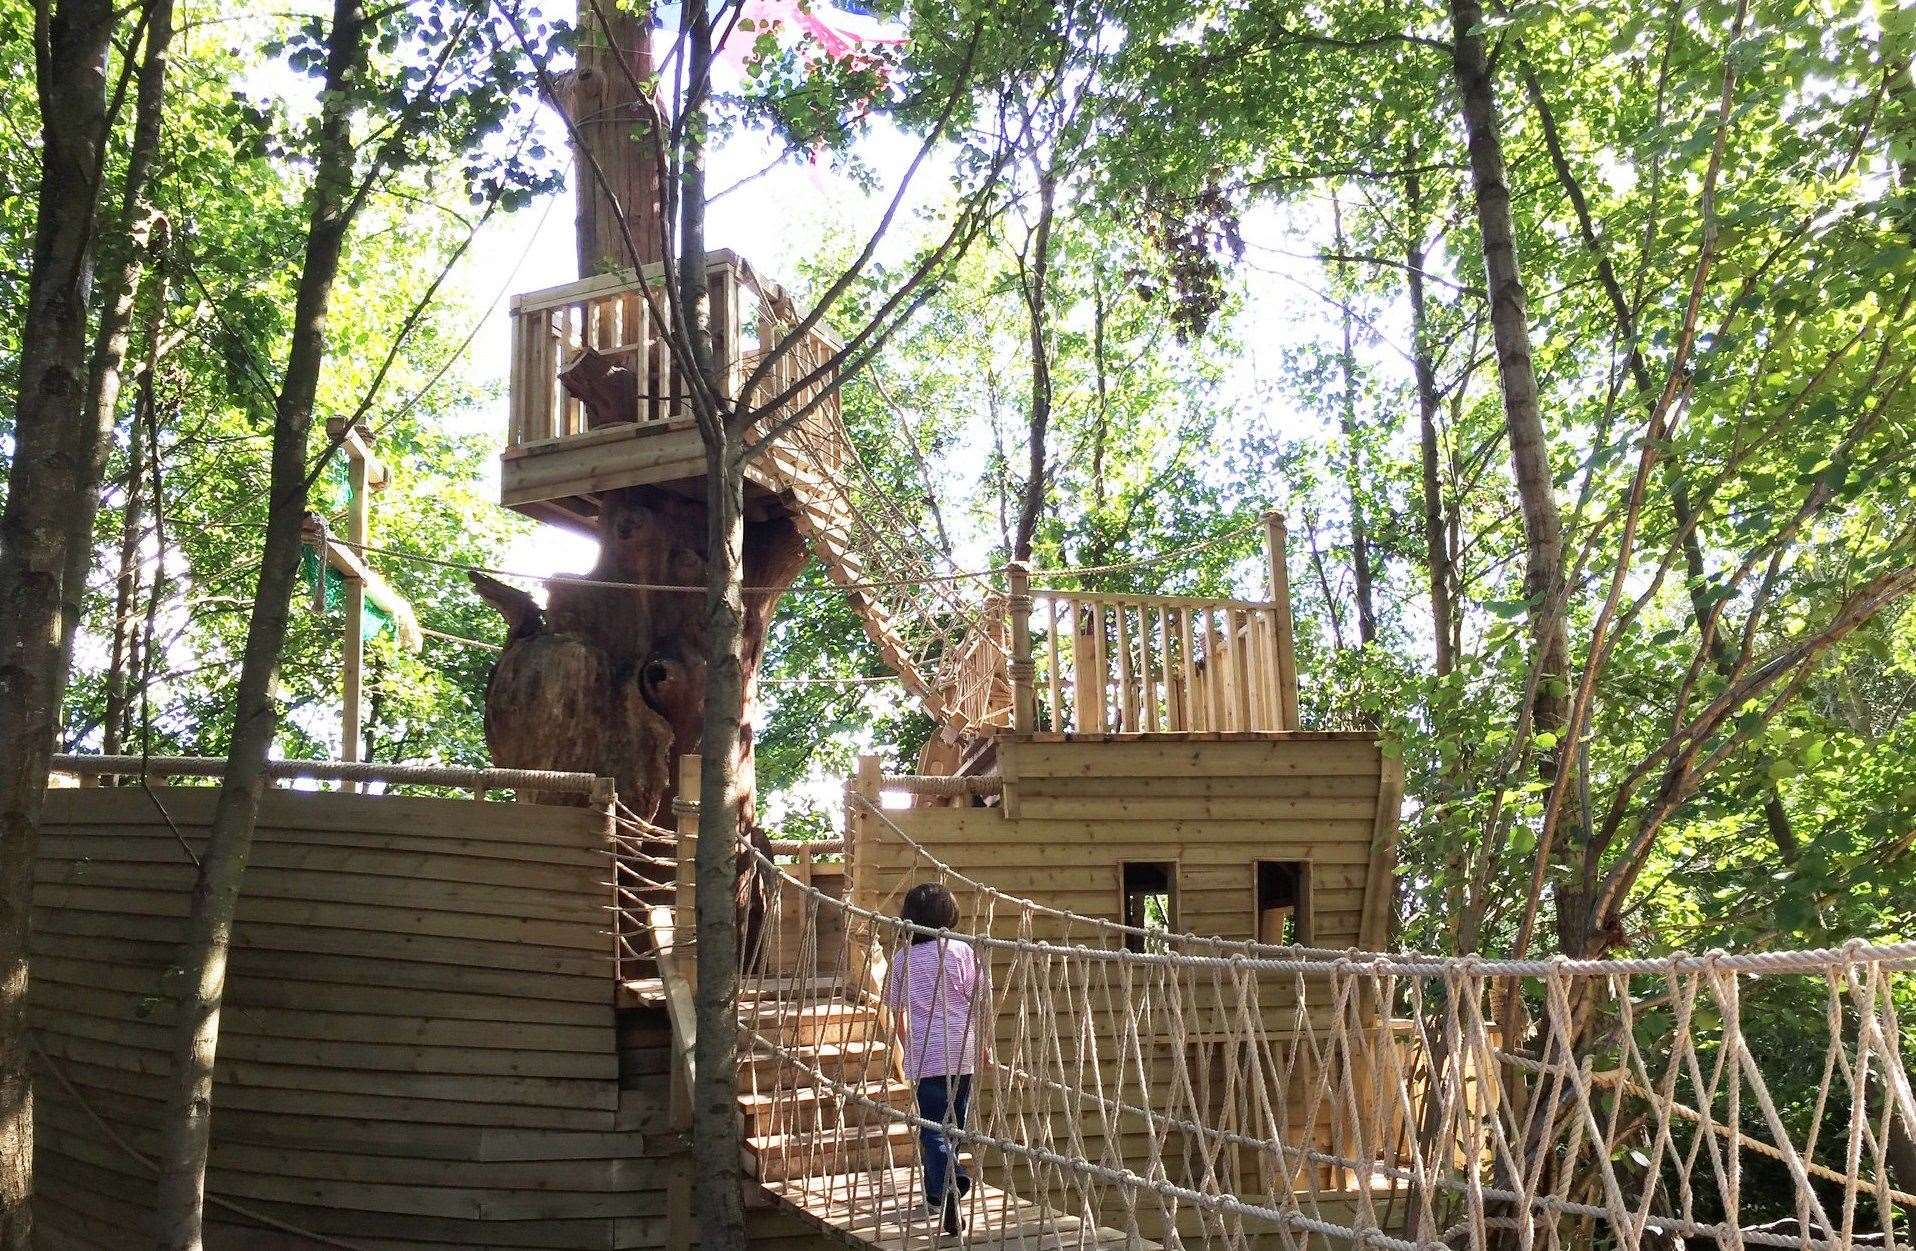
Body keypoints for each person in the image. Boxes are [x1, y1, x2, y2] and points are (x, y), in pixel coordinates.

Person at [882, 882, 987, 1236]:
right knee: (953, 1126)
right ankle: (937, 1196)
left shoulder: (902, 959)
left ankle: (950, 1178)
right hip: (963, 1050)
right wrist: (983, 1045)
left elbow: (894, 1012)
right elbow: (977, 1000)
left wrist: (905, 1045)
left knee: (931, 1126)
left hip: (928, 1054)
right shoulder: (962, 951)